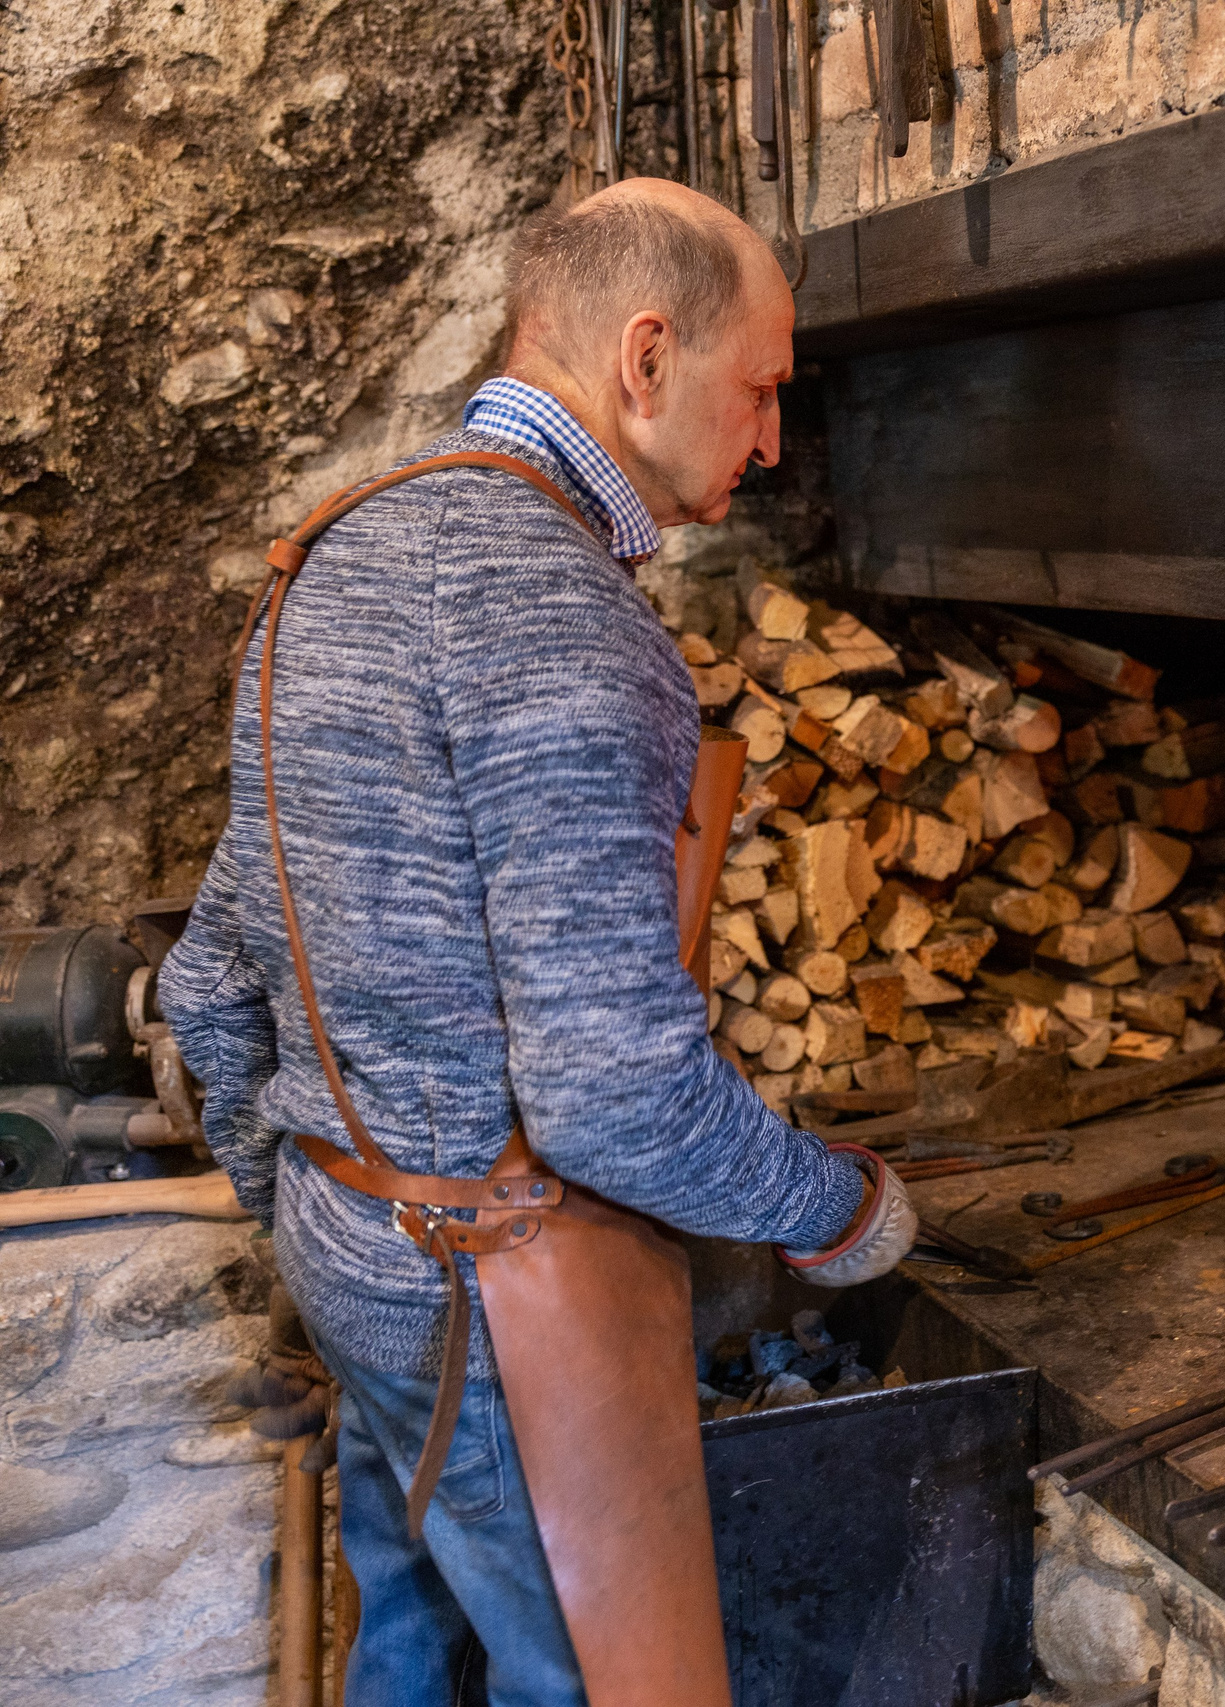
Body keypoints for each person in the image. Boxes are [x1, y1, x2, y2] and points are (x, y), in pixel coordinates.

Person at [160, 178, 908, 1707]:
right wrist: (840, 1207)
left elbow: (206, 984)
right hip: (493, 1282)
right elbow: (612, 1100)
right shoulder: (562, 614)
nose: (771, 439)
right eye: (759, 386)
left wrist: (316, 1209)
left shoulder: (328, 560)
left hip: (357, 1232)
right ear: (646, 360)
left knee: (415, 1647)